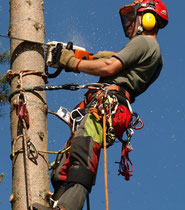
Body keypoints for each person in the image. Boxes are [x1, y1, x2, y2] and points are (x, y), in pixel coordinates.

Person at [33, 0, 168, 209]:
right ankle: (57, 203)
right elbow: (109, 59)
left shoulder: (145, 43)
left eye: (134, 18)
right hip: (108, 106)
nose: (129, 24)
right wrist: (85, 56)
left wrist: (72, 62)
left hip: (108, 106)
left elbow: (109, 66)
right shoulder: (151, 52)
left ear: (149, 19)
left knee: (82, 154)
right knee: (67, 161)